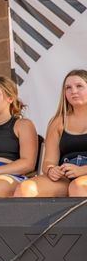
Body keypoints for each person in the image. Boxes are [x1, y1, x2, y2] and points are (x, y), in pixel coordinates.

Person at [14, 69, 87, 199]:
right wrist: (51, 169)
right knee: (25, 189)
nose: (73, 91)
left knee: (78, 187)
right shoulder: (58, 121)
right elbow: (48, 161)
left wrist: (81, 170)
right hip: (65, 175)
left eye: (79, 86)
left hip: (82, 177)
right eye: (68, 88)